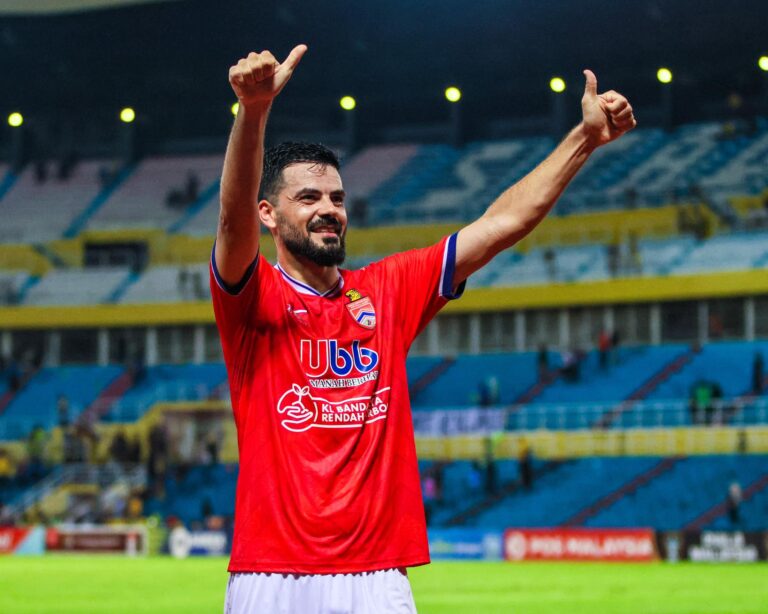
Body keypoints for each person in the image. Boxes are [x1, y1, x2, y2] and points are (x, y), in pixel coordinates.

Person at [211, 44, 635, 612]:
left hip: (379, 574)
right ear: (269, 214)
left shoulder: (389, 290)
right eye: (308, 197)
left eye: (337, 197)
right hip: (271, 574)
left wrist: (583, 140)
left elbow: (502, 223)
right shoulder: (251, 297)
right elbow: (230, 221)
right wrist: (254, 111)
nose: (329, 208)